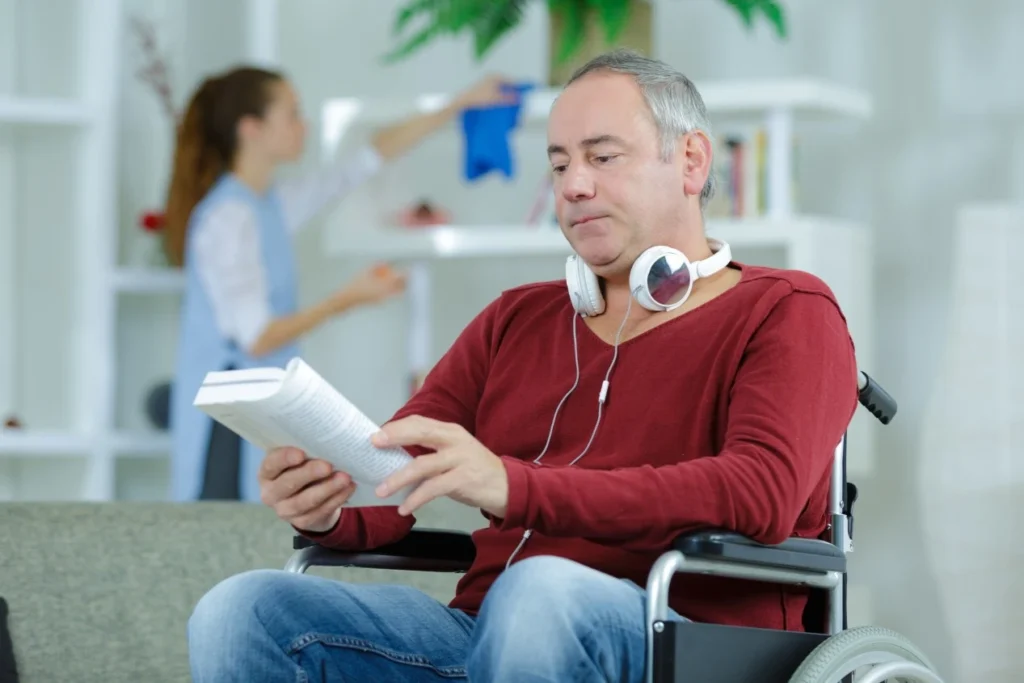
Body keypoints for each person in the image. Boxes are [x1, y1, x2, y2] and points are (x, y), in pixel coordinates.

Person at [186, 50, 860, 682]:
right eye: (560, 164)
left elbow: (760, 493)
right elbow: (398, 470)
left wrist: (517, 486)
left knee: (540, 590)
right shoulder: (517, 319)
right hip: (484, 637)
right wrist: (330, 504)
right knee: (240, 608)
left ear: (690, 161)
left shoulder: (786, 309)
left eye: (602, 156)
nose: (575, 185)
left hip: (679, 638)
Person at [166, 65, 517, 503]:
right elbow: (257, 338)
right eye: (292, 115)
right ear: (252, 129)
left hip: (262, 406)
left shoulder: (269, 205)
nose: (304, 126)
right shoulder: (226, 220)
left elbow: (363, 162)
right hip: (229, 420)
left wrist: (458, 104)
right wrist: (348, 298)